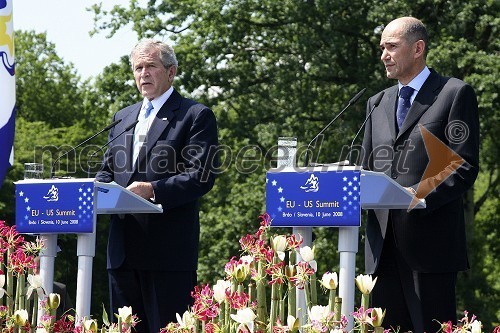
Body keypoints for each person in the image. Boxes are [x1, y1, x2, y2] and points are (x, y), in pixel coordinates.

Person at [360, 17, 479, 333]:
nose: (384, 54)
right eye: (382, 47)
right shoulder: (376, 103)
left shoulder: (454, 93)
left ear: (418, 48)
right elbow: (366, 170)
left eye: (392, 46)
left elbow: (462, 165)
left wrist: (417, 194)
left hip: (431, 251)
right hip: (381, 253)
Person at [95, 39, 219, 333]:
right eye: (138, 67)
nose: (143, 73)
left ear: (171, 71)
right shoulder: (123, 117)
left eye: (151, 66)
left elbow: (201, 176)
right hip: (122, 255)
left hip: (167, 256)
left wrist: (153, 189)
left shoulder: (194, 115)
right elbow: (105, 172)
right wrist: (96, 188)